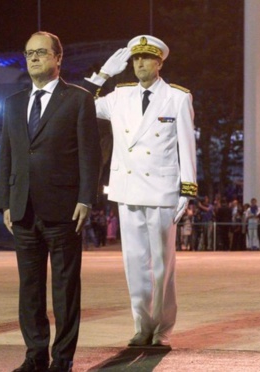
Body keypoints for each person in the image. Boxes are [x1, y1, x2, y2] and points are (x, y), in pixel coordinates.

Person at [83, 35, 197, 347]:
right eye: (135, 59)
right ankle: (141, 325)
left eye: (147, 58)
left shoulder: (176, 97)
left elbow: (187, 145)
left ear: (160, 62)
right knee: (134, 263)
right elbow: (77, 104)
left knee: (162, 264)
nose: (139, 64)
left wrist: (186, 189)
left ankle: (162, 328)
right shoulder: (119, 96)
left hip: (162, 190)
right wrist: (103, 75)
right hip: (128, 188)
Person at [0, 31, 100, 372]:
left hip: (64, 208)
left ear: (58, 58)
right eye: (28, 54)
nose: (33, 59)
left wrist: (87, 197)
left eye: (41, 53)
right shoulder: (14, 102)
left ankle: (63, 359)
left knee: (65, 289)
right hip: (23, 209)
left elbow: (90, 154)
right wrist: (5, 202)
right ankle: (35, 355)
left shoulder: (78, 100)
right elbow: (8, 156)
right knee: (29, 289)